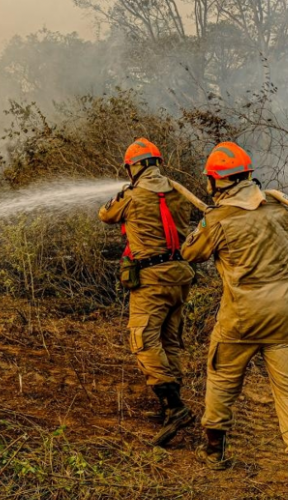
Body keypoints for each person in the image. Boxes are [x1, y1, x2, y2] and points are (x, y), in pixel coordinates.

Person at [181, 142, 288, 500]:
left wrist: (207, 219)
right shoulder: (280, 211)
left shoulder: (218, 220)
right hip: (286, 318)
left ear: (217, 182)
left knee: (221, 379)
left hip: (241, 319)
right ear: (248, 174)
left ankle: (214, 451)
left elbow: (190, 253)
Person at [98, 138, 196, 447]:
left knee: (143, 339)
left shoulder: (132, 195)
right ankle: (170, 406)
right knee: (171, 341)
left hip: (152, 279)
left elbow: (105, 214)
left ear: (134, 167)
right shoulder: (179, 192)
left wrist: (123, 194)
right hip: (180, 275)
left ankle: (175, 407)